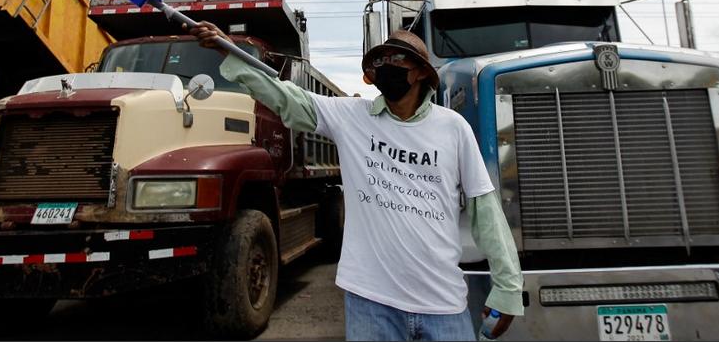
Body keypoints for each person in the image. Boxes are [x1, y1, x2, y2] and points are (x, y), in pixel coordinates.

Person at [190, 22, 523, 341]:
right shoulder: (352, 117)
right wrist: (229, 51)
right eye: (379, 60)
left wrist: (507, 288)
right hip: (370, 302)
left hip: (444, 304)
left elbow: (485, 210)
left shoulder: (453, 129)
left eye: (396, 59)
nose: (385, 66)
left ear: (421, 71)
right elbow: (286, 96)